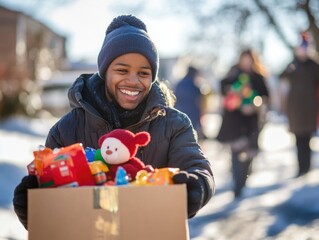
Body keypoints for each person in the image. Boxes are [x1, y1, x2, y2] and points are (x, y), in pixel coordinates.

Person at [12, 14, 215, 230]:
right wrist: (32, 204)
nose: (133, 80)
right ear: (105, 71)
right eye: (122, 70)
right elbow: (50, 197)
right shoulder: (68, 128)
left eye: (143, 73)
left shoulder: (173, 123)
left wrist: (194, 187)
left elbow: (199, 168)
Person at [216, 49, 269, 198]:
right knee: (236, 152)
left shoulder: (258, 77)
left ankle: (243, 179)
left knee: (249, 152)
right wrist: (233, 95)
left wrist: (254, 105)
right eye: (243, 59)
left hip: (251, 121)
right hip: (235, 121)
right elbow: (223, 87)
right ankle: (237, 184)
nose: (246, 63)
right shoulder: (233, 73)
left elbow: (265, 96)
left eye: (249, 60)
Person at [279, 32, 319, 177]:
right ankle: (301, 167)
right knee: (298, 140)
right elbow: (281, 76)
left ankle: (306, 166)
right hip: (295, 109)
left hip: (309, 108)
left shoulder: (314, 66)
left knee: (306, 140)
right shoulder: (293, 65)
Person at [174, 65, 206, 140]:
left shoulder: (179, 84)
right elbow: (201, 101)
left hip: (179, 113)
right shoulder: (195, 86)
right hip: (193, 114)